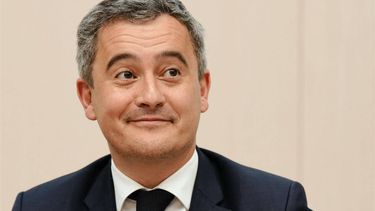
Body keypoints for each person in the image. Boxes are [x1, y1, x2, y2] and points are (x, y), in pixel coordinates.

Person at [12, 0, 311, 210]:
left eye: (171, 73)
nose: (151, 96)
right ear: (88, 97)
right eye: (126, 75)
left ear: (202, 89)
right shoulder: (39, 206)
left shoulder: (275, 203)